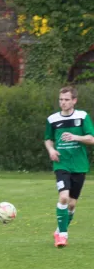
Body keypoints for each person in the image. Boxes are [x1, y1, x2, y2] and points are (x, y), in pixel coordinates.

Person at [44, 86, 94, 248]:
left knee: (72, 204)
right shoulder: (52, 119)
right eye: (61, 100)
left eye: (66, 99)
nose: (63, 103)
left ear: (74, 100)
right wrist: (51, 150)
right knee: (63, 197)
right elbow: (48, 139)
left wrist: (75, 137)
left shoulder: (82, 116)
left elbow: (91, 138)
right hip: (61, 164)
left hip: (79, 165)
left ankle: (59, 229)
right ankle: (63, 236)